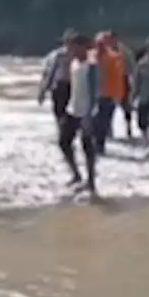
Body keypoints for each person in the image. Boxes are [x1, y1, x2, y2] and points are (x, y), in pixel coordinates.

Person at [58, 32, 99, 195]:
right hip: (72, 108)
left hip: (86, 111)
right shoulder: (74, 62)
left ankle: (91, 181)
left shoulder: (91, 65)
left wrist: (90, 114)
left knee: (87, 147)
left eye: (74, 46)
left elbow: (95, 90)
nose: (71, 49)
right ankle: (76, 174)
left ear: (83, 47)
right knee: (63, 141)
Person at [94, 31, 127, 155]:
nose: (100, 46)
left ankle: (100, 146)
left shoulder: (114, 57)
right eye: (98, 43)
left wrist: (118, 95)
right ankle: (95, 144)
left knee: (104, 122)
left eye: (102, 43)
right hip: (93, 96)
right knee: (94, 122)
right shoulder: (90, 57)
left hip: (108, 95)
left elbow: (118, 78)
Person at [37, 30, 75, 122]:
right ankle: (62, 131)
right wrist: (43, 90)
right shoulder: (58, 55)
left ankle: (66, 130)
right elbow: (49, 73)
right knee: (58, 112)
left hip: (74, 86)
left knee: (72, 113)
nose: (69, 43)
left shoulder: (78, 54)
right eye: (68, 41)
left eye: (72, 41)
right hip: (60, 85)